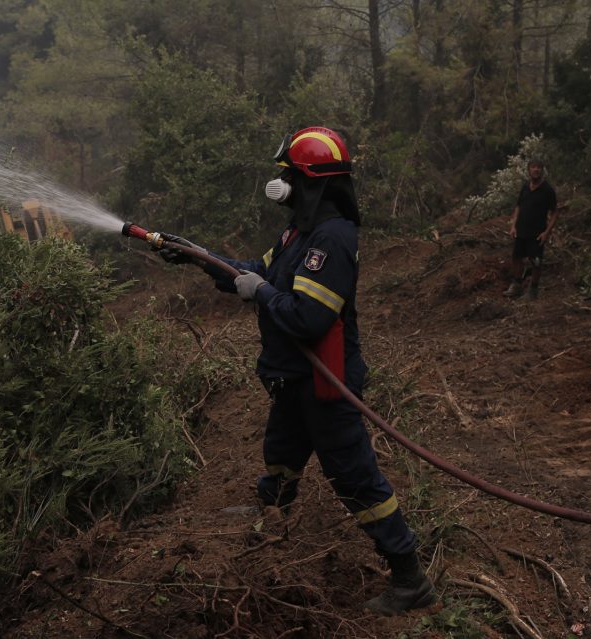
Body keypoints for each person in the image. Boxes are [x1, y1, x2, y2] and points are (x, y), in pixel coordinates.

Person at [156, 126, 436, 616]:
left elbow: (309, 316)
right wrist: (197, 255)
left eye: (288, 174)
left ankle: (409, 577)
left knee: (355, 478)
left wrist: (259, 292)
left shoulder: (331, 238)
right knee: (282, 451)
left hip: (325, 383)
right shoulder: (298, 233)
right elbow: (253, 269)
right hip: (291, 379)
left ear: (311, 182)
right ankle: (272, 515)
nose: (280, 183)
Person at [504, 158, 558, 300]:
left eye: (539, 167)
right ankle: (517, 285)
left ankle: (533, 290)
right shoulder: (525, 187)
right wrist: (513, 226)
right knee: (516, 258)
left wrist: (547, 232)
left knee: (536, 261)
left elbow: (554, 213)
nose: (536, 170)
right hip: (521, 231)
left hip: (537, 233)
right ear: (528, 170)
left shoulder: (548, 190)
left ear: (542, 170)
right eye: (533, 167)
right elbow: (518, 207)